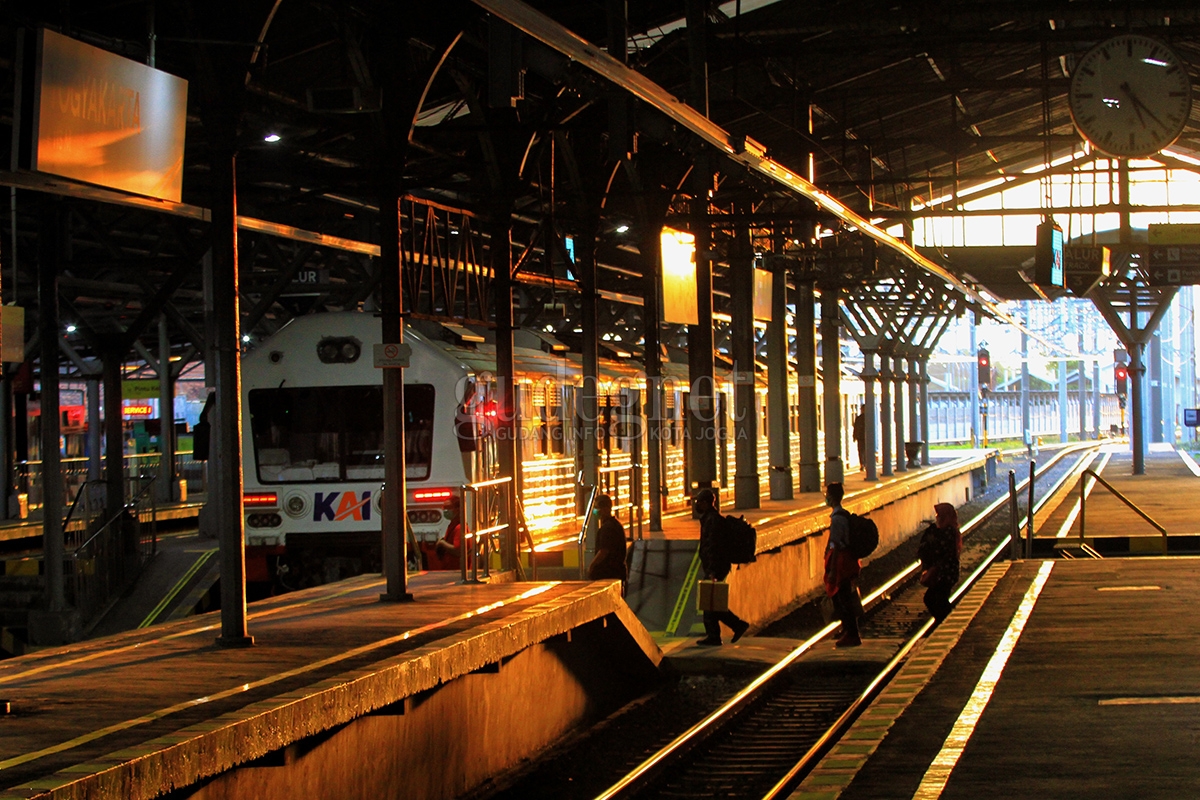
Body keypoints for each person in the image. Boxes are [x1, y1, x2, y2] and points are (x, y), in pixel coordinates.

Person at [694, 489, 750, 647]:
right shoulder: (710, 519)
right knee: (712, 602)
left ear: (705, 503)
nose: (696, 505)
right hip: (716, 566)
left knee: (709, 602)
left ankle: (717, 635)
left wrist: (712, 570)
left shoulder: (713, 521)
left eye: (698, 502)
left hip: (716, 567)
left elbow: (714, 547)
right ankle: (735, 626)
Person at [824, 482, 862, 648]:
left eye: (827, 494)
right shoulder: (842, 515)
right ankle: (848, 631)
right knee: (844, 597)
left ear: (831, 497)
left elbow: (836, 544)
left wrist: (832, 569)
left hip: (842, 562)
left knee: (843, 598)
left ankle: (852, 633)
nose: (825, 497)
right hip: (846, 560)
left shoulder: (838, 519)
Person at [918, 502, 962, 622]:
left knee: (933, 598)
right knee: (937, 598)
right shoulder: (950, 530)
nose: (937, 518)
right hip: (945, 572)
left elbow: (939, 549)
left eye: (939, 515)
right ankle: (945, 620)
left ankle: (948, 621)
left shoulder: (948, 532)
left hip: (945, 573)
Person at [587, 494, 627, 582]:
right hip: (617, 572)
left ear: (605, 509)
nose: (596, 511)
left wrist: (592, 566)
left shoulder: (607, 528)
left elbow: (603, 551)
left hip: (608, 573)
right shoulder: (615, 525)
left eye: (597, 508)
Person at [435, 495, 463, 570]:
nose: (446, 510)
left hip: (456, 571)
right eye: (444, 508)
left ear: (458, 509)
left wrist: (442, 543)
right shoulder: (452, 526)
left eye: (449, 508)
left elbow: (458, 551)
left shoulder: (459, 528)